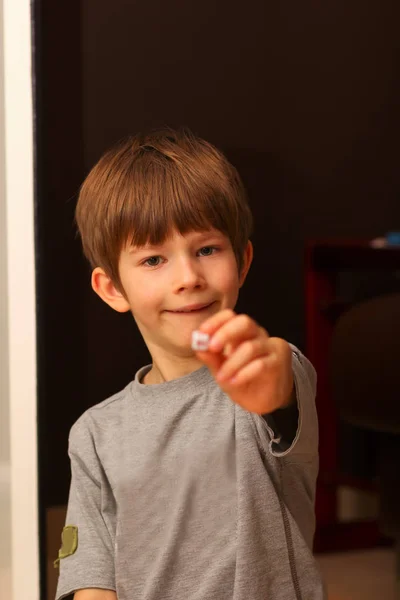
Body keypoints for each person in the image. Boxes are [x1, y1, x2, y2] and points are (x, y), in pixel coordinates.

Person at [55, 129, 326, 600]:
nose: (188, 278)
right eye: (154, 259)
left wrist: (268, 387)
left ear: (241, 262)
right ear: (112, 288)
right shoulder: (94, 433)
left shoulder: (263, 373)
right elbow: (90, 575)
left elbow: (280, 380)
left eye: (206, 250)